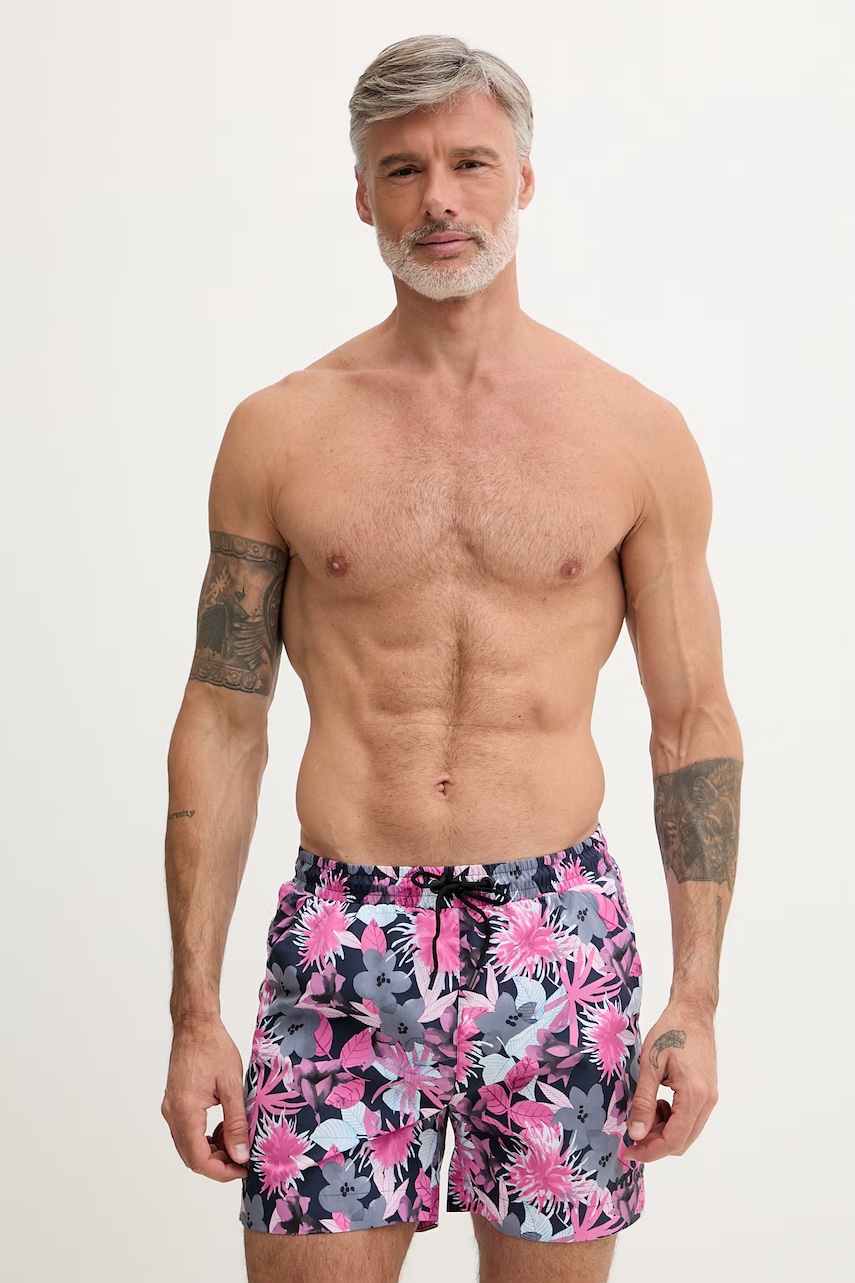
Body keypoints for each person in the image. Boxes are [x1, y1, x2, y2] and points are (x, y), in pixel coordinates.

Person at [161, 34, 742, 1283]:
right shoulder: (279, 431)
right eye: (402, 168)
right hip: (343, 937)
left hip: (557, 936)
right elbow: (222, 718)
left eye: (470, 163)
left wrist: (696, 995)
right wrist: (193, 1008)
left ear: (523, 179)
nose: (439, 199)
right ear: (360, 194)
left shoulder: (634, 434)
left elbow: (693, 724)